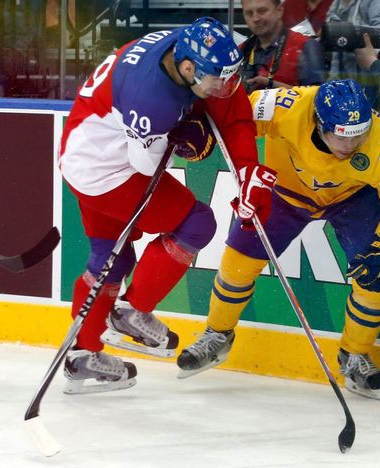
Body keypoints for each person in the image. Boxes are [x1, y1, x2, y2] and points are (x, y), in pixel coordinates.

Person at [59, 17, 276, 394]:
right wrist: (180, 136)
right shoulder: (153, 99)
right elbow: (146, 166)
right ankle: (131, 310)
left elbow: (229, 103)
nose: (222, 87)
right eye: (215, 80)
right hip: (109, 173)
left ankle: (82, 355)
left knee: (111, 259)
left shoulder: (183, 47)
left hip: (82, 152)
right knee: (197, 224)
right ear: (189, 68)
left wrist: (247, 168)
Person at [176, 79, 380, 401]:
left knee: (378, 278)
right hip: (284, 193)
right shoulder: (287, 105)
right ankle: (217, 335)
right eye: (342, 136)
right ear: (319, 123)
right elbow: (235, 114)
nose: (352, 146)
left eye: (360, 135)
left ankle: (354, 356)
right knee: (238, 261)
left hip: (351, 198)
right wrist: (201, 121)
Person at [240, 0, 325, 93]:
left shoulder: (306, 46)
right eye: (249, 13)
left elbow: (317, 97)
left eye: (262, 11)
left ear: (280, 11)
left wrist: (270, 84)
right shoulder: (240, 51)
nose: (255, 18)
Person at [325, 0, 380, 108]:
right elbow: (338, 44)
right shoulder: (337, 3)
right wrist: (333, 84)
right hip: (347, 82)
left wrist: (346, 33)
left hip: (375, 81)